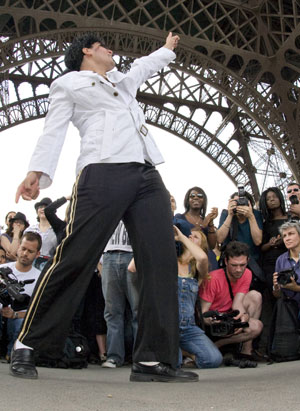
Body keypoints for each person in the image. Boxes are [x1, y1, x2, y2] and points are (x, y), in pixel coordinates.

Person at [12, 32, 198, 383]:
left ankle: (151, 360)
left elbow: (144, 66)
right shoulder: (68, 84)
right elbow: (53, 130)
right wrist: (36, 172)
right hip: (102, 169)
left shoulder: (121, 81)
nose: (113, 50)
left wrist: (167, 49)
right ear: (87, 50)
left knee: (159, 262)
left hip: (145, 173)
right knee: (76, 256)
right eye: (104, 47)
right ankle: (28, 343)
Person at [199, 241, 263, 358]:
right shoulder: (213, 279)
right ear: (226, 261)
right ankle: (215, 345)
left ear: (247, 261)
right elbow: (203, 314)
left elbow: (238, 303)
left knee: (255, 300)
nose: (238, 269)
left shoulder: (247, 273)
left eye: (242, 265)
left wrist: (243, 316)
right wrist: (215, 320)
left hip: (230, 317)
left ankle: (244, 349)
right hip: (214, 323)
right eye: (234, 265)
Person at [174, 225, 223, 369]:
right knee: (173, 363)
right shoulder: (171, 260)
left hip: (188, 327)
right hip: (168, 327)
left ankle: (186, 354)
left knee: (213, 359)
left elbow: (201, 257)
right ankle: (180, 354)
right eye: (189, 235)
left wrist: (182, 237)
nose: (190, 237)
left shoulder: (198, 269)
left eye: (195, 237)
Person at [101, 221, 138, 368]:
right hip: (109, 256)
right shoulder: (107, 204)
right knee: (111, 311)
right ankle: (114, 356)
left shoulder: (138, 202)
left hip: (133, 255)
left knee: (138, 310)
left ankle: (141, 356)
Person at [0, 232, 42, 358]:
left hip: (20, 318)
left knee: (22, 322)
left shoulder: (40, 278)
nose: (25, 254)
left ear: (37, 254)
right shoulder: (2, 269)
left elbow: (39, 311)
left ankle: (13, 354)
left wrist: (15, 314)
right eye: (23, 249)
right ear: (18, 248)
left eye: (30, 251)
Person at [259, 187, 288, 290]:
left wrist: (284, 241)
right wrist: (270, 244)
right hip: (271, 263)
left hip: (290, 258)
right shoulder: (265, 224)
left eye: (274, 196)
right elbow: (261, 247)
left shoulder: (292, 219)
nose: (272, 200)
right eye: (268, 198)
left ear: (280, 197)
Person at [25, 197, 57, 270]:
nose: (43, 209)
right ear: (37, 211)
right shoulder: (29, 230)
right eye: (40, 207)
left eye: (46, 207)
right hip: (30, 265)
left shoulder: (57, 230)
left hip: (49, 267)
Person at [273, 221, 300, 306]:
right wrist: (276, 288)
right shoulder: (280, 260)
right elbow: (277, 295)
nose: (287, 238)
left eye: (291, 234)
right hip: (289, 306)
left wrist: (296, 288)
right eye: (284, 236)